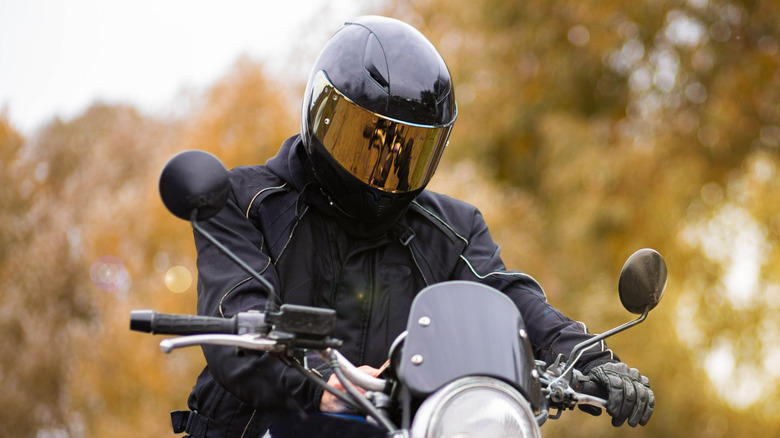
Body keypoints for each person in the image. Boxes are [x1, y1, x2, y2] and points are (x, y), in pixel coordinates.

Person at [171, 15, 654, 437]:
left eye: (406, 152)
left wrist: (588, 357)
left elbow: (506, 294)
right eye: (364, 142)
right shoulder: (244, 200)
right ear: (321, 113)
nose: (380, 172)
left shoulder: (453, 229)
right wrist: (317, 380)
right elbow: (237, 308)